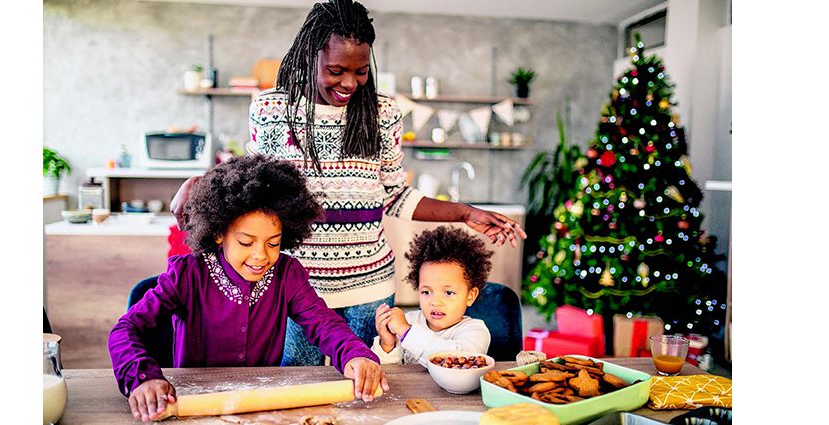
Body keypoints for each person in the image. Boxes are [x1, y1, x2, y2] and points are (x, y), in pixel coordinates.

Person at [170, 0, 526, 367]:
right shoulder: (271, 109)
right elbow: (254, 183)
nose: (349, 83)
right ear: (310, 56)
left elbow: (395, 194)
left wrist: (464, 213)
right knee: (299, 385)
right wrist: (196, 181)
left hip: (369, 286)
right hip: (297, 287)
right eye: (336, 70)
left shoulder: (383, 113)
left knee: (366, 381)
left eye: (360, 72)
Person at [110, 156, 388, 423]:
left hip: (258, 409)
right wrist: (143, 378)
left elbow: (323, 324)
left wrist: (355, 354)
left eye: (273, 243)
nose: (261, 256)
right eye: (246, 242)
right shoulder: (187, 275)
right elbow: (125, 330)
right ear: (218, 233)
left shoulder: (287, 275)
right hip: (190, 406)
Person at [371, 226, 493, 366]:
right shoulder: (409, 320)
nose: (435, 302)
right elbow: (383, 370)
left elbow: (456, 362)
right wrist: (387, 344)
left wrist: (406, 331)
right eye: (426, 292)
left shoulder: (476, 331)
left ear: (470, 296)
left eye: (448, 293)